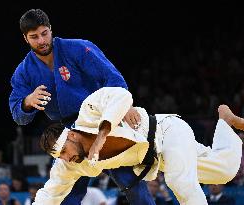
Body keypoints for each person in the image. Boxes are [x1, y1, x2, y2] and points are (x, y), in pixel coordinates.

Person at [9, 9, 155, 205]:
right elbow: (18, 115)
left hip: (99, 119)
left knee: (130, 179)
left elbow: (111, 77)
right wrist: (27, 102)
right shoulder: (24, 71)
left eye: (44, 33)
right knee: (68, 190)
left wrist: (123, 105)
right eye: (34, 37)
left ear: (51, 29)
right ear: (25, 38)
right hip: (67, 131)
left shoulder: (78, 48)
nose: (41, 40)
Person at [33, 87, 244, 205]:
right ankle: (225, 121)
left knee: (180, 183)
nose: (63, 158)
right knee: (224, 171)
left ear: (71, 135)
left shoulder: (88, 113)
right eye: (58, 156)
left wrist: (101, 135)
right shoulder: (71, 165)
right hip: (158, 158)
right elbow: (49, 195)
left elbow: (121, 95)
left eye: (63, 151)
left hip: (167, 131)